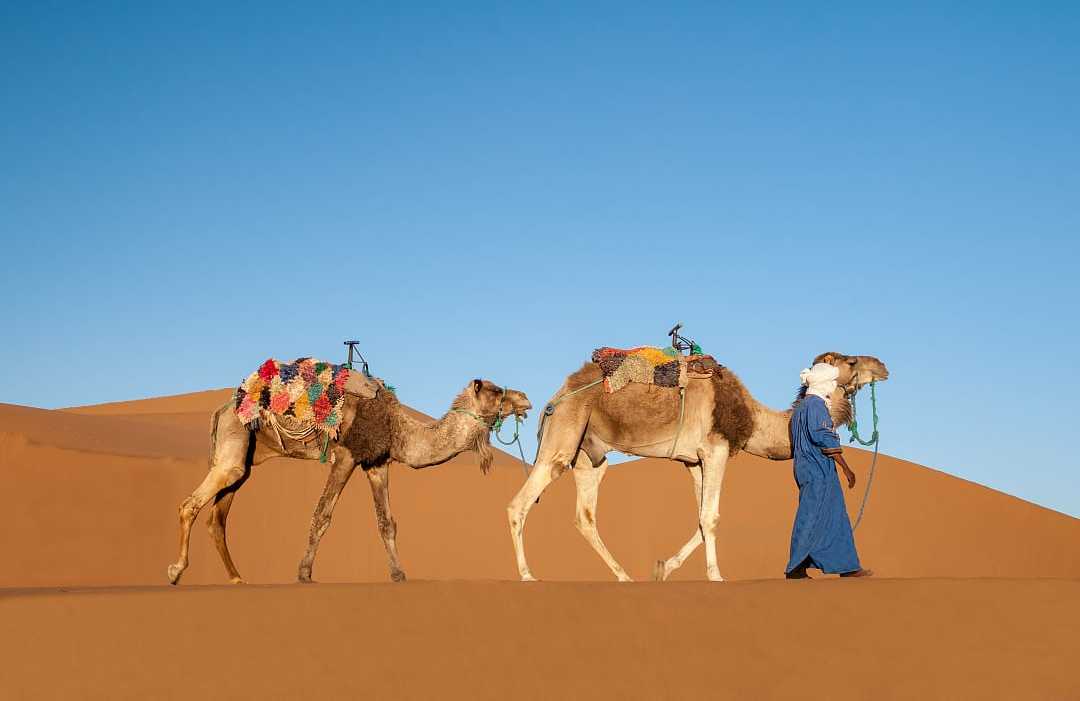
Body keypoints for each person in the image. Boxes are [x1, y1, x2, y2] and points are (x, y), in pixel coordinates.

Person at [785, 362, 873, 579]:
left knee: (829, 515)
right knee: (813, 515)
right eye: (831, 382)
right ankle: (796, 567)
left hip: (806, 467)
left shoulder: (800, 409)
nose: (833, 387)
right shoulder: (816, 407)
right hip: (818, 469)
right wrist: (846, 468)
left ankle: (846, 566)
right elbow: (823, 437)